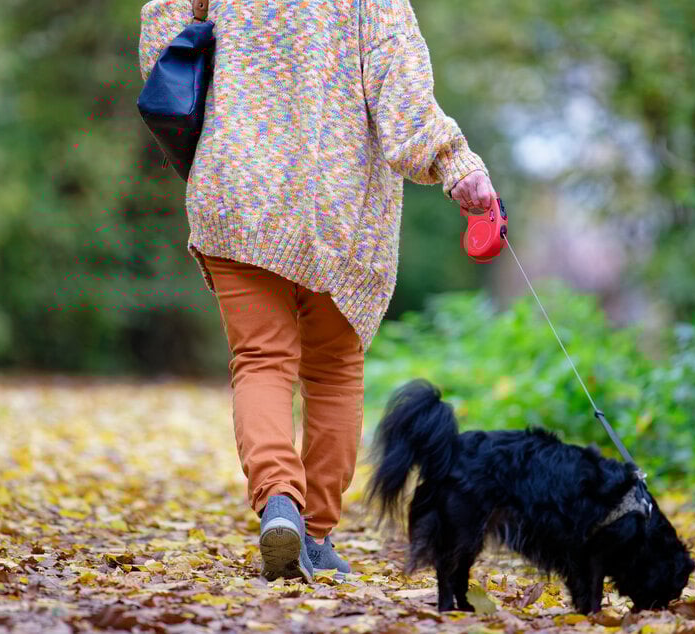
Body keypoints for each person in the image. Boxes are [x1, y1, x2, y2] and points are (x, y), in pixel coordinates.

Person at [138, 0, 497, 581]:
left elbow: (165, 35)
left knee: (260, 358)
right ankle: (316, 532)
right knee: (332, 369)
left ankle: (279, 502)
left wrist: (216, 105)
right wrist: (456, 165)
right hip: (341, 204)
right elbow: (399, 82)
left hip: (236, 183)